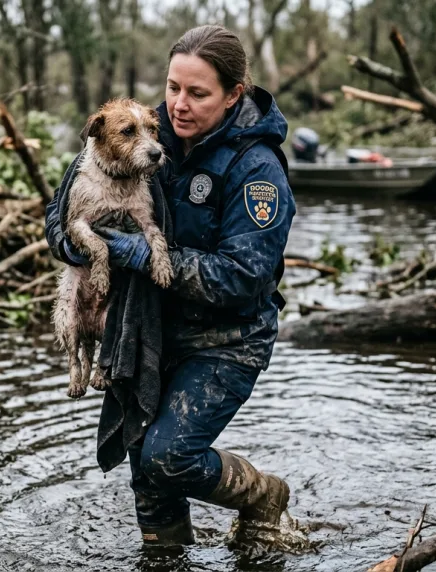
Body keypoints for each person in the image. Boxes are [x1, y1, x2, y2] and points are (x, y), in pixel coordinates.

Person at [45, 25, 295, 545]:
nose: (178, 105)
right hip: (149, 328)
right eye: (172, 87)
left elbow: (243, 278)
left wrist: (143, 254)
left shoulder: (256, 170)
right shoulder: (137, 138)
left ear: (234, 95)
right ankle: (166, 555)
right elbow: (59, 211)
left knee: (169, 456)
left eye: (198, 93)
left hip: (226, 338)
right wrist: (73, 245)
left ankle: (262, 494)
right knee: (146, 471)